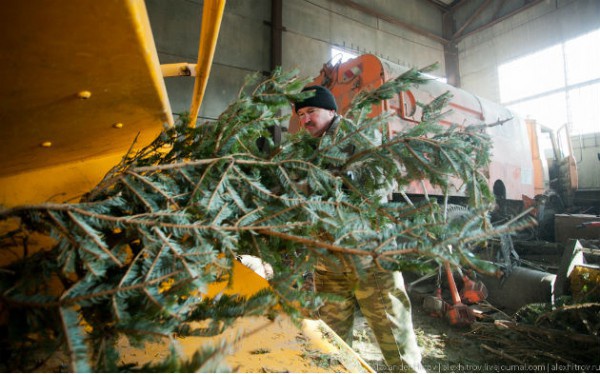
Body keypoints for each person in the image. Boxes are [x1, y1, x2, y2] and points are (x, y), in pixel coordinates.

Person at [293, 85, 424, 373]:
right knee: (332, 342)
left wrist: (335, 180)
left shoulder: (359, 137)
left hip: (369, 257)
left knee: (394, 337)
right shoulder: (304, 149)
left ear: (331, 110)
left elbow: (381, 178)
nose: (305, 120)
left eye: (311, 111)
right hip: (328, 262)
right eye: (301, 114)